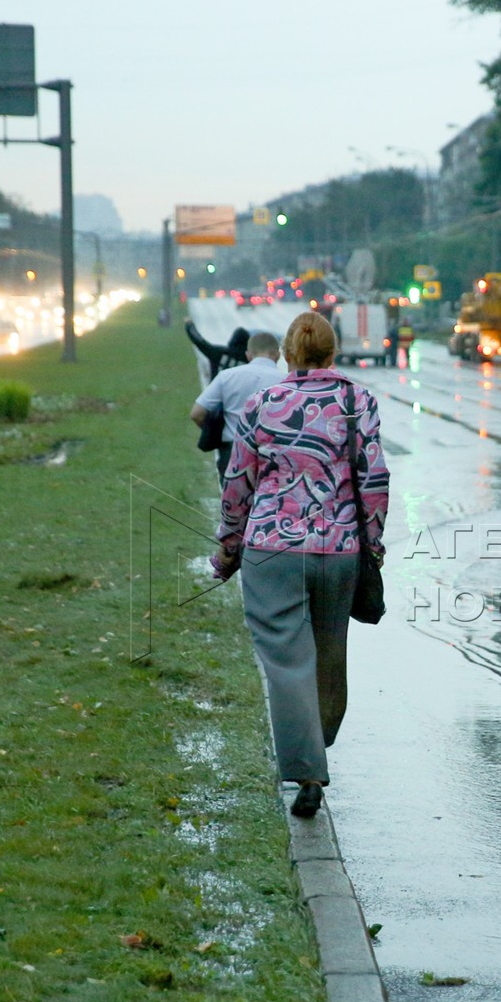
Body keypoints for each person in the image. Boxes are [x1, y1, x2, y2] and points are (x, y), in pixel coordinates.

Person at [212, 312, 389, 818]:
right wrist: (372, 544)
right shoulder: (358, 401)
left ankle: (307, 770)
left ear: (288, 356)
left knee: (288, 663)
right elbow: (374, 481)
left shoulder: (262, 403)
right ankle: (317, 740)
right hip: (340, 550)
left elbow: (238, 482)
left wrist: (229, 544)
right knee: (330, 653)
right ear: (333, 353)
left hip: (272, 549)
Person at [190, 331, 286, 482]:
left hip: (233, 452)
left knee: (232, 497)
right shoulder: (286, 382)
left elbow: (197, 413)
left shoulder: (226, 376)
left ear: (248, 355)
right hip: (272, 453)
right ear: (278, 355)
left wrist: (213, 432)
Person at [186, 319, 251, 385]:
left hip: (217, 390)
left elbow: (200, 342)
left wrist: (190, 325)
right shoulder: (251, 360)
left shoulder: (218, 353)